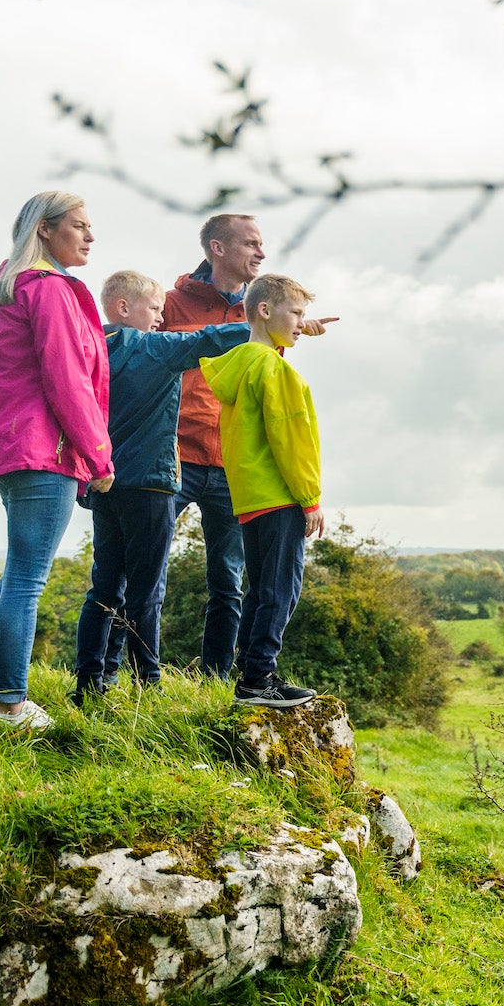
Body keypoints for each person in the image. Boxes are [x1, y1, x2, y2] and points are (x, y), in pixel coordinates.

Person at [71, 271, 251, 706]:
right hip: (151, 486)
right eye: (154, 309)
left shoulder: (88, 351)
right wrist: (272, 322)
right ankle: (146, 687)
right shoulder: (152, 349)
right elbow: (213, 339)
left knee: (104, 588)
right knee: (145, 594)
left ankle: (89, 685)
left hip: (104, 482)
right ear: (123, 308)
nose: (160, 317)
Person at [0, 191, 112, 729]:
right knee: (29, 578)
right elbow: (67, 378)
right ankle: (11, 703)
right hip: (43, 445)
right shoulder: (50, 290)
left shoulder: (19, 289)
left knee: (18, 569)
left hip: (14, 443)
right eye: (80, 225)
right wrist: (98, 455)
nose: (90, 236)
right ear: (47, 231)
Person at [199, 274, 326, 707]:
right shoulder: (274, 368)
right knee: (281, 589)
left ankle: (252, 674)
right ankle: (258, 680)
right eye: (295, 313)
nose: (301, 323)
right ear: (266, 311)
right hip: (279, 496)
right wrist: (309, 498)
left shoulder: (242, 363)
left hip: (249, 497)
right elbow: (291, 438)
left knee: (261, 589)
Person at [161, 214, 267, 677]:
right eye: (251, 244)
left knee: (228, 582)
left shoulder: (260, 313)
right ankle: (124, 674)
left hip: (230, 464)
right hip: (174, 459)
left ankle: (215, 680)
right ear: (217, 248)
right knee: (145, 574)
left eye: (263, 245)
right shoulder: (168, 305)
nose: (261, 253)